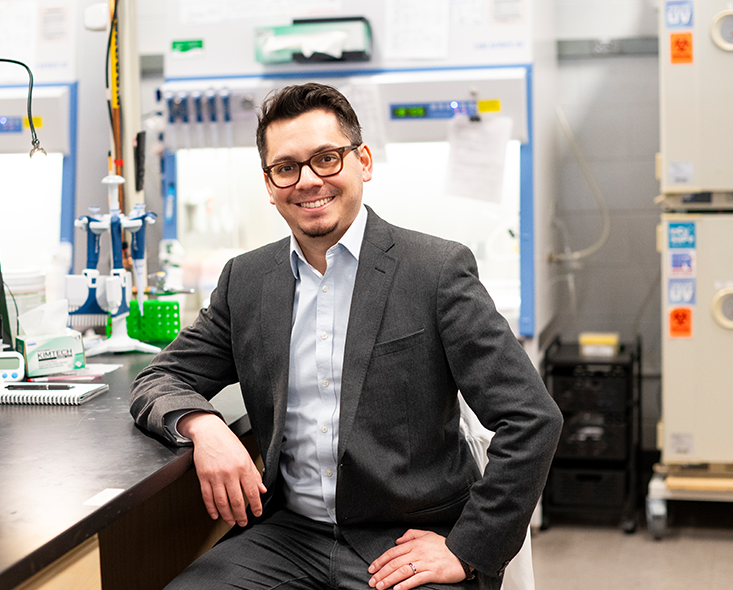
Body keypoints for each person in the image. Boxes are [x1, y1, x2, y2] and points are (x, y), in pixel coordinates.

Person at [130, 82, 562, 590]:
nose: (308, 180)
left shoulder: (435, 271)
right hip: (289, 536)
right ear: (269, 185)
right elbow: (159, 378)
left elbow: (531, 418)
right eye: (286, 167)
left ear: (364, 161)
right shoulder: (246, 281)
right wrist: (203, 426)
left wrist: (468, 549)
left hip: (409, 538)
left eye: (326, 158)